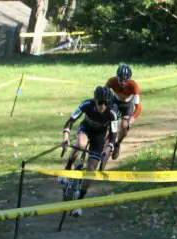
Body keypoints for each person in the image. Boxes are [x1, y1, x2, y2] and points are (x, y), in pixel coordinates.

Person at [60, 86, 119, 217]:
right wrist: (65, 137)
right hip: (85, 130)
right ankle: (68, 167)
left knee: (91, 169)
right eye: (100, 102)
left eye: (106, 103)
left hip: (99, 138)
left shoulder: (112, 114)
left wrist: (109, 147)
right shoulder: (86, 104)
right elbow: (69, 122)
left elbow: (114, 136)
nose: (102, 106)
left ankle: (79, 202)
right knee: (80, 144)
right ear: (95, 100)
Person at [105, 63, 141, 160]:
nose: (123, 83)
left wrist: (133, 117)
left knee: (124, 126)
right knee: (111, 120)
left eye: (126, 80)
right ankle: (108, 137)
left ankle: (118, 143)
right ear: (117, 77)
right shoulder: (111, 81)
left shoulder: (134, 86)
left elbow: (138, 107)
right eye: (120, 80)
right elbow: (104, 95)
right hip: (115, 102)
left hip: (128, 105)